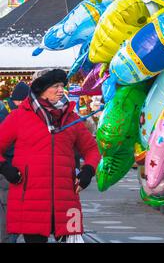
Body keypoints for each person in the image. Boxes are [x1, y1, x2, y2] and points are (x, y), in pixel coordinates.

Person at [0, 69, 101, 243]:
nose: (61, 90)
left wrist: (88, 171)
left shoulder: (71, 119)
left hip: (66, 201)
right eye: (55, 86)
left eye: (62, 86)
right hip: (31, 200)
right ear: (42, 90)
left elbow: (92, 149)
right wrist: (5, 168)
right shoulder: (19, 117)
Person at [0, 81, 30, 243]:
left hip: (6, 166)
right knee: (9, 209)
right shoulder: (9, 114)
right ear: (20, 100)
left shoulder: (5, 109)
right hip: (7, 168)